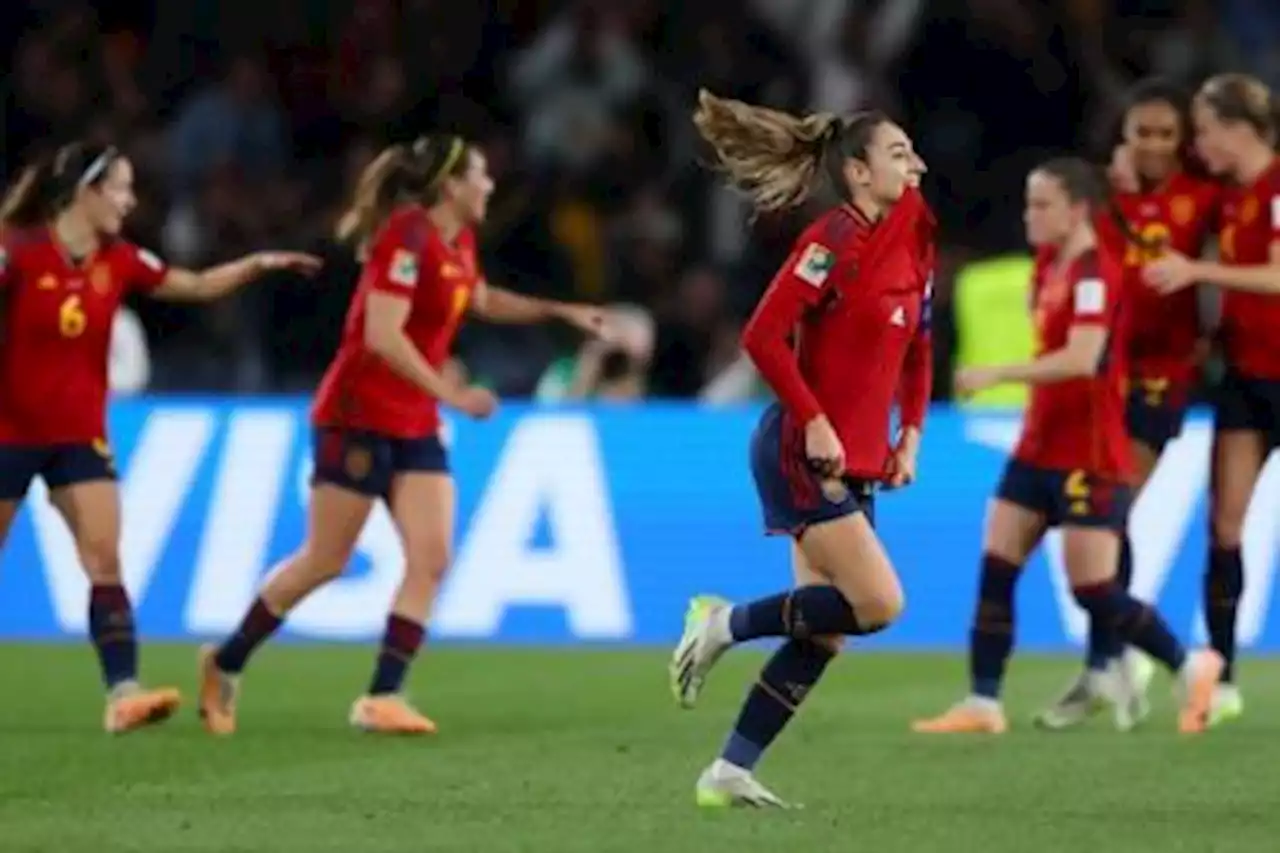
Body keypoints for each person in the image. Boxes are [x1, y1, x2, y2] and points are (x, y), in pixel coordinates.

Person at [197, 136, 608, 736]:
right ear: (451, 185)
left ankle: (382, 696)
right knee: (324, 560)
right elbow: (382, 337)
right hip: (357, 414)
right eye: (481, 176)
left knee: (432, 555)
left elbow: (482, 298)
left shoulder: (458, 240)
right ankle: (226, 660)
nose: (490, 185)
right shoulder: (406, 237)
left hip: (413, 421)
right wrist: (453, 394)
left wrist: (558, 311)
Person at [669, 90, 933, 808]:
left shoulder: (912, 244)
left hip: (858, 459)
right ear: (857, 172)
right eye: (900, 154)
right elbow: (760, 336)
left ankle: (728, 770)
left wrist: (909, 433)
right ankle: (721, 622)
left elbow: (919, 349)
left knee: (827, 630)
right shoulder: (831, 241)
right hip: (799, 448)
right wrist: (814, 418)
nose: (918, 166)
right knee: (877, 603)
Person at [0, 141, 320, 733]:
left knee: (105, 563)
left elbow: (194, 285)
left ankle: (123, 693)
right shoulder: (17, 253)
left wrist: (256, 265)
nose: (130, 200)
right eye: (120, 187)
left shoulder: (118, 260)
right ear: (85, 191)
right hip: (8, 434)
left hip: (78, 437)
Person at [911, 158, 1223, 736]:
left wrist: (996, 373)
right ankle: (983, 702)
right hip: (1037, 444)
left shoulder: (1093, 275)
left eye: (1042, 204)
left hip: (1088, 449)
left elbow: (1083, 359)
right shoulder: (1049, 266)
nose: (1029, 216)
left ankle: (1189, 665)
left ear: (1077, 209)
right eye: (1029, 203)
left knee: (1094, 590)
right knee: (997, 564)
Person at [1035, 79, 1221, 731]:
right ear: (1125, 135)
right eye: (1142, 132)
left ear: (1182, 141)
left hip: (1161, 380)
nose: (1153, 145)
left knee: (1106, 516)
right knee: (1105, 519)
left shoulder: (1202, 198)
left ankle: (1120, 660)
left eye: (1166, 134)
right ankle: (1110, 661)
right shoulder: (1105, 198)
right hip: (1102, 379)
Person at [1144, 73, 1280, 726]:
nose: (1200, 144)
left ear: (1237, 128)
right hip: (1248, 380)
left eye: (1204, 129)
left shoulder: (1278, 186)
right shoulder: (1229, 198)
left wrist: (1198, 270)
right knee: (1224, 526)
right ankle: (1221, 675)